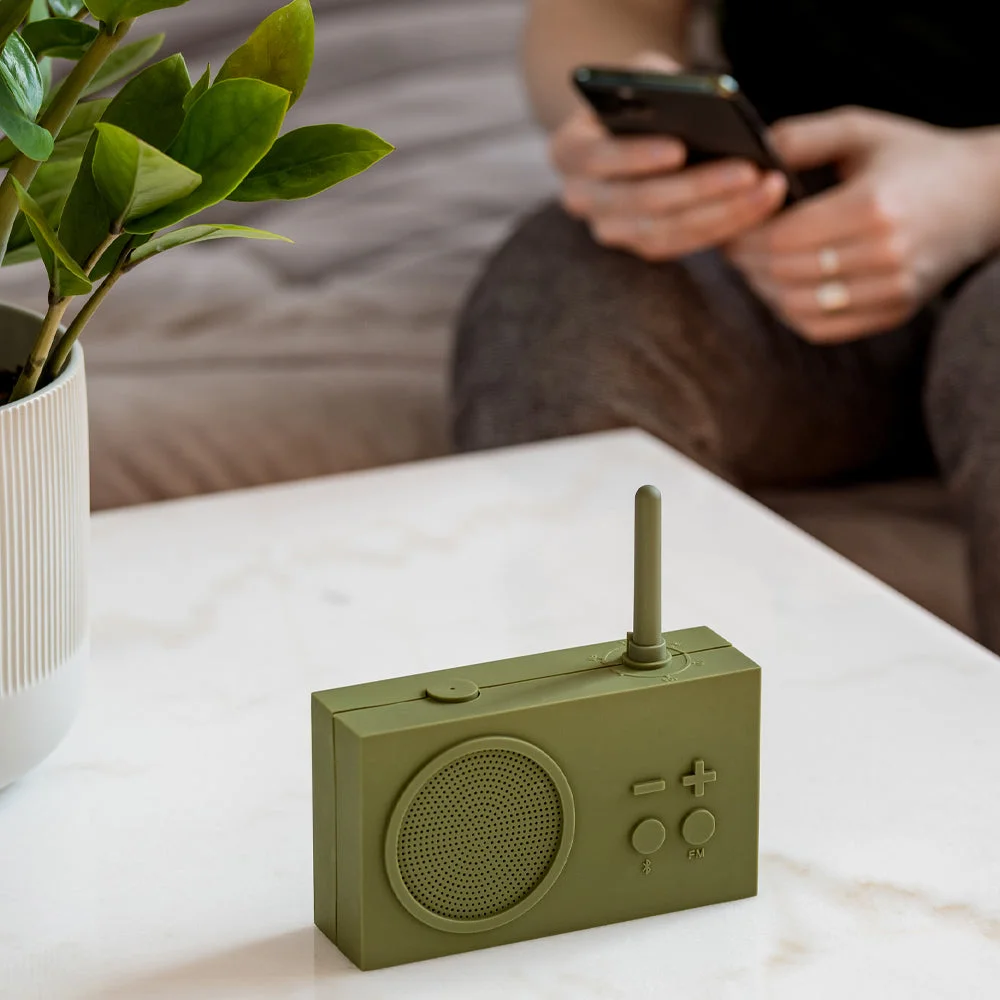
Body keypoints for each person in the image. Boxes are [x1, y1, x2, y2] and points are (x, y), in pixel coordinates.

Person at [450, 0, 1000, 651]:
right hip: (781, 223)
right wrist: (630, 119)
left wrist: (977, 185)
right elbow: (602, 13)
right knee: (562, 290)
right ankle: (635, 702)